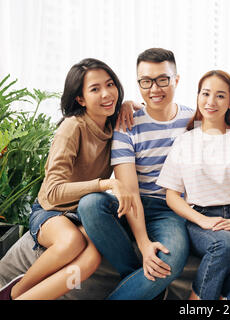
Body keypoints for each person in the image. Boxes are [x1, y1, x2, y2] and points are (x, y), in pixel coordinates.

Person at [0, 58, 133, 300]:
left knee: (92, 258)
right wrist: (106, 184)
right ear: (80, 99)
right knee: (70, 242)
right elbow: (52, 192)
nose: (106, 94)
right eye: (95, 89)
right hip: (52, 210)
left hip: (82, 213)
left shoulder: (114, 121)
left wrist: (130, 105)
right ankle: (14, 292)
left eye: (110, 84)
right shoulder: (72, 127)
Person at [77, 48, 192, 299]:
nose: (154, 89)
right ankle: (141, 282)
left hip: (169, 211)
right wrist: (143, 243)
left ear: (177, 79)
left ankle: (142, 287)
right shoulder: (127, 123)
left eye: (163, 79)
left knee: (168, 262)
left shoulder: (193, 121)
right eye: (146, 81)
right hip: (131, 202)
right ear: (138, 82)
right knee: (90, 204)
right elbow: (129, 190)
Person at [156, 70, 230, 300]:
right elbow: (172, 195)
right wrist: (203, 221)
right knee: (226, 244)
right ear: (198, 96)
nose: (211, 102)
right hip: (200, 217)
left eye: (220, 96)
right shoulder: (185, 141)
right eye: (205, 94)